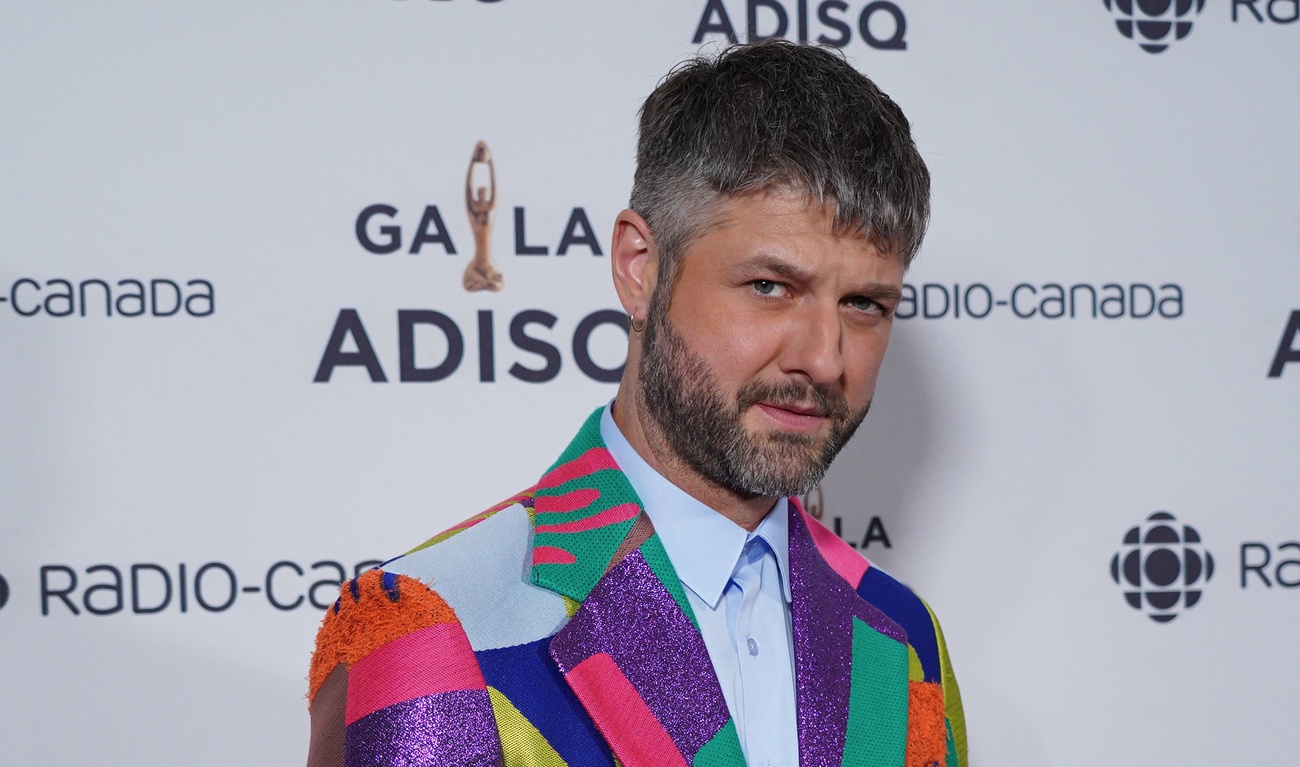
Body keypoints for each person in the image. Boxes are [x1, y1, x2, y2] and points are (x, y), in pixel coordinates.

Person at [307, 39, 966, 767]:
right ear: (639, 268)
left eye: (865, 303)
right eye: (771, 286)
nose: (824, 356)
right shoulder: (434, 621)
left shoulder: (903, 637)